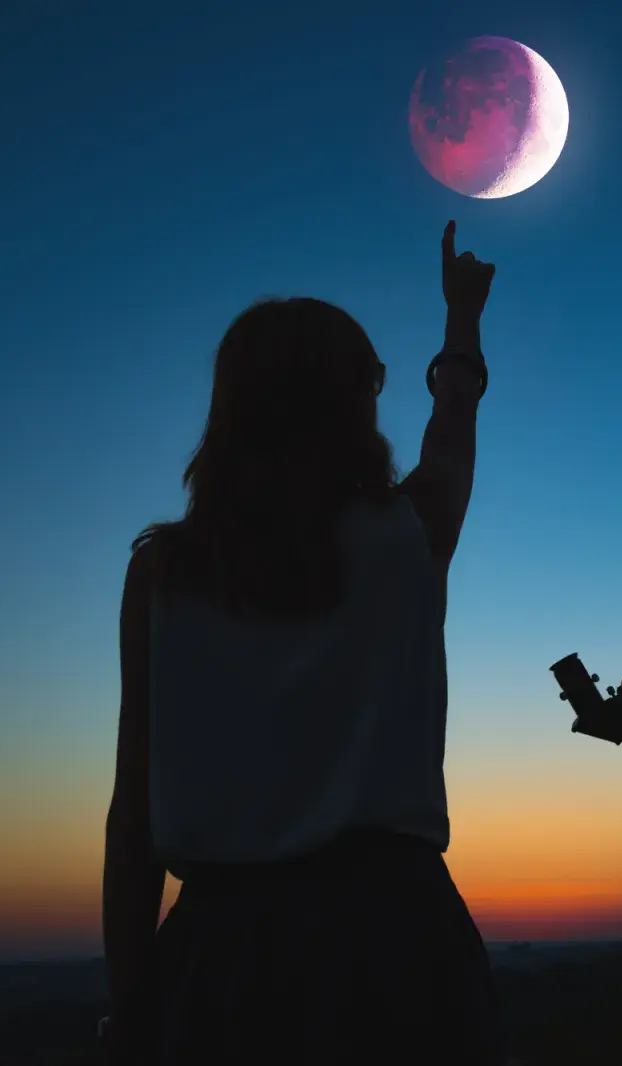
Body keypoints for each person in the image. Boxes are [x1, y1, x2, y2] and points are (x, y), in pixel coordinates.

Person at [101, 221, 504, 1064]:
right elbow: (453, 430)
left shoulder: (162, 575)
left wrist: (132, 1002)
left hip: (221, 957)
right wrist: (461, 320)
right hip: (396, 946)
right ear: (354, 403)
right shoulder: (408, 533)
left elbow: (133, 815)